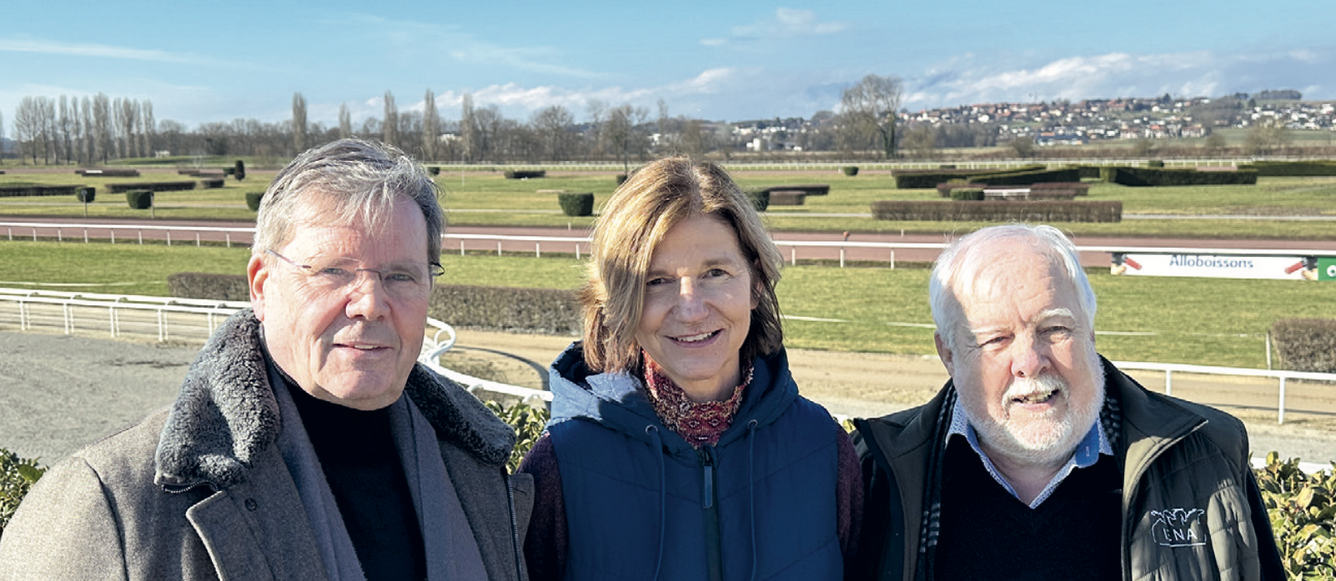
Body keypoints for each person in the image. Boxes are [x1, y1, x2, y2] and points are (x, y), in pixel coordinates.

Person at [0, 139, 532, 580]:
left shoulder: (484, 471)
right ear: (262, 285)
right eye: (333, 271)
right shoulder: (111, 501)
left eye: (401, 275)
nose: (370, 303)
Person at [851, 224, 1285, 580]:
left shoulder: (1208, 454)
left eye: (1055, 329)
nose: (1030, 362)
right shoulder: (873, 472)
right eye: (995, 340)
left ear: (1090, 332)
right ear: (948, 353)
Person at [517, 157, 862, 581]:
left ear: (755, 283)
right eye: (655, 281)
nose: (692, 309)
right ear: (618, 302)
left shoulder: (825, 448)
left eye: (715, 273)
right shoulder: (558, 465)